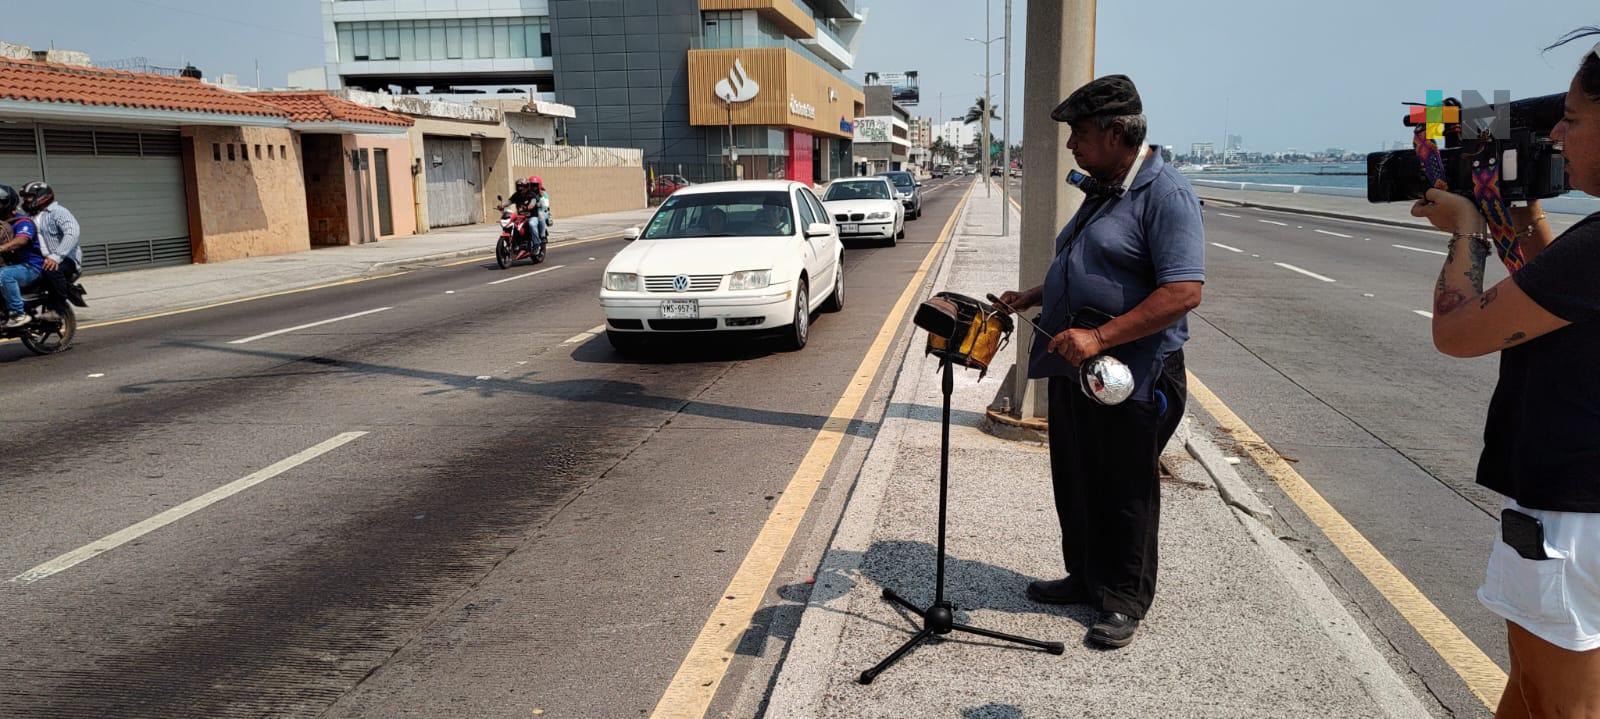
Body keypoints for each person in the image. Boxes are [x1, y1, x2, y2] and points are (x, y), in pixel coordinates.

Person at [1410, 28, 1600, 719]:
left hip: (1569, 519)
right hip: (1581, 517)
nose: (1556, 134)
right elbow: (1565, 304)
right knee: (1527, 696)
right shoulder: (1584, 253)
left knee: (1559, 707)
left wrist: (1467, 231)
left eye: (1572, 120)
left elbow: (1457, 333)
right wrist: (1524, 220)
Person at [993, 74, 1205, 648]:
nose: (1071, 145)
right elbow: (1093, 263)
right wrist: (1034, 295)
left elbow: (1183, 291)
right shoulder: (1103, 187)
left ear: (1117, 133)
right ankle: (1085, 578)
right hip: (1077, 368)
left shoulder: (1166, 195)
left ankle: (1123, 599)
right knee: (1077, 478)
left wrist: (1100, 337)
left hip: (1132, 374)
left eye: (1079, 133)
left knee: (1124, 489)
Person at [21, 181, 82, 317]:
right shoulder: (30, 217)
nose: (25, 200)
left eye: (29, 197)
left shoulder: (58, 212)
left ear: (42, 196)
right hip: (41, 260)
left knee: (52, 270)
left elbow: (72, 232)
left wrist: (56, 256)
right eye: (24, 197)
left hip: (66, 259)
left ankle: (58, 310)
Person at [0, 183, 45, 329]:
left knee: (4, 275)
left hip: (31, 267)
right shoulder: (2, 225)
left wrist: (2, 248)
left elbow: (21, 240)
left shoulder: (23, 222)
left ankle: (18, 313)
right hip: (14, 266)